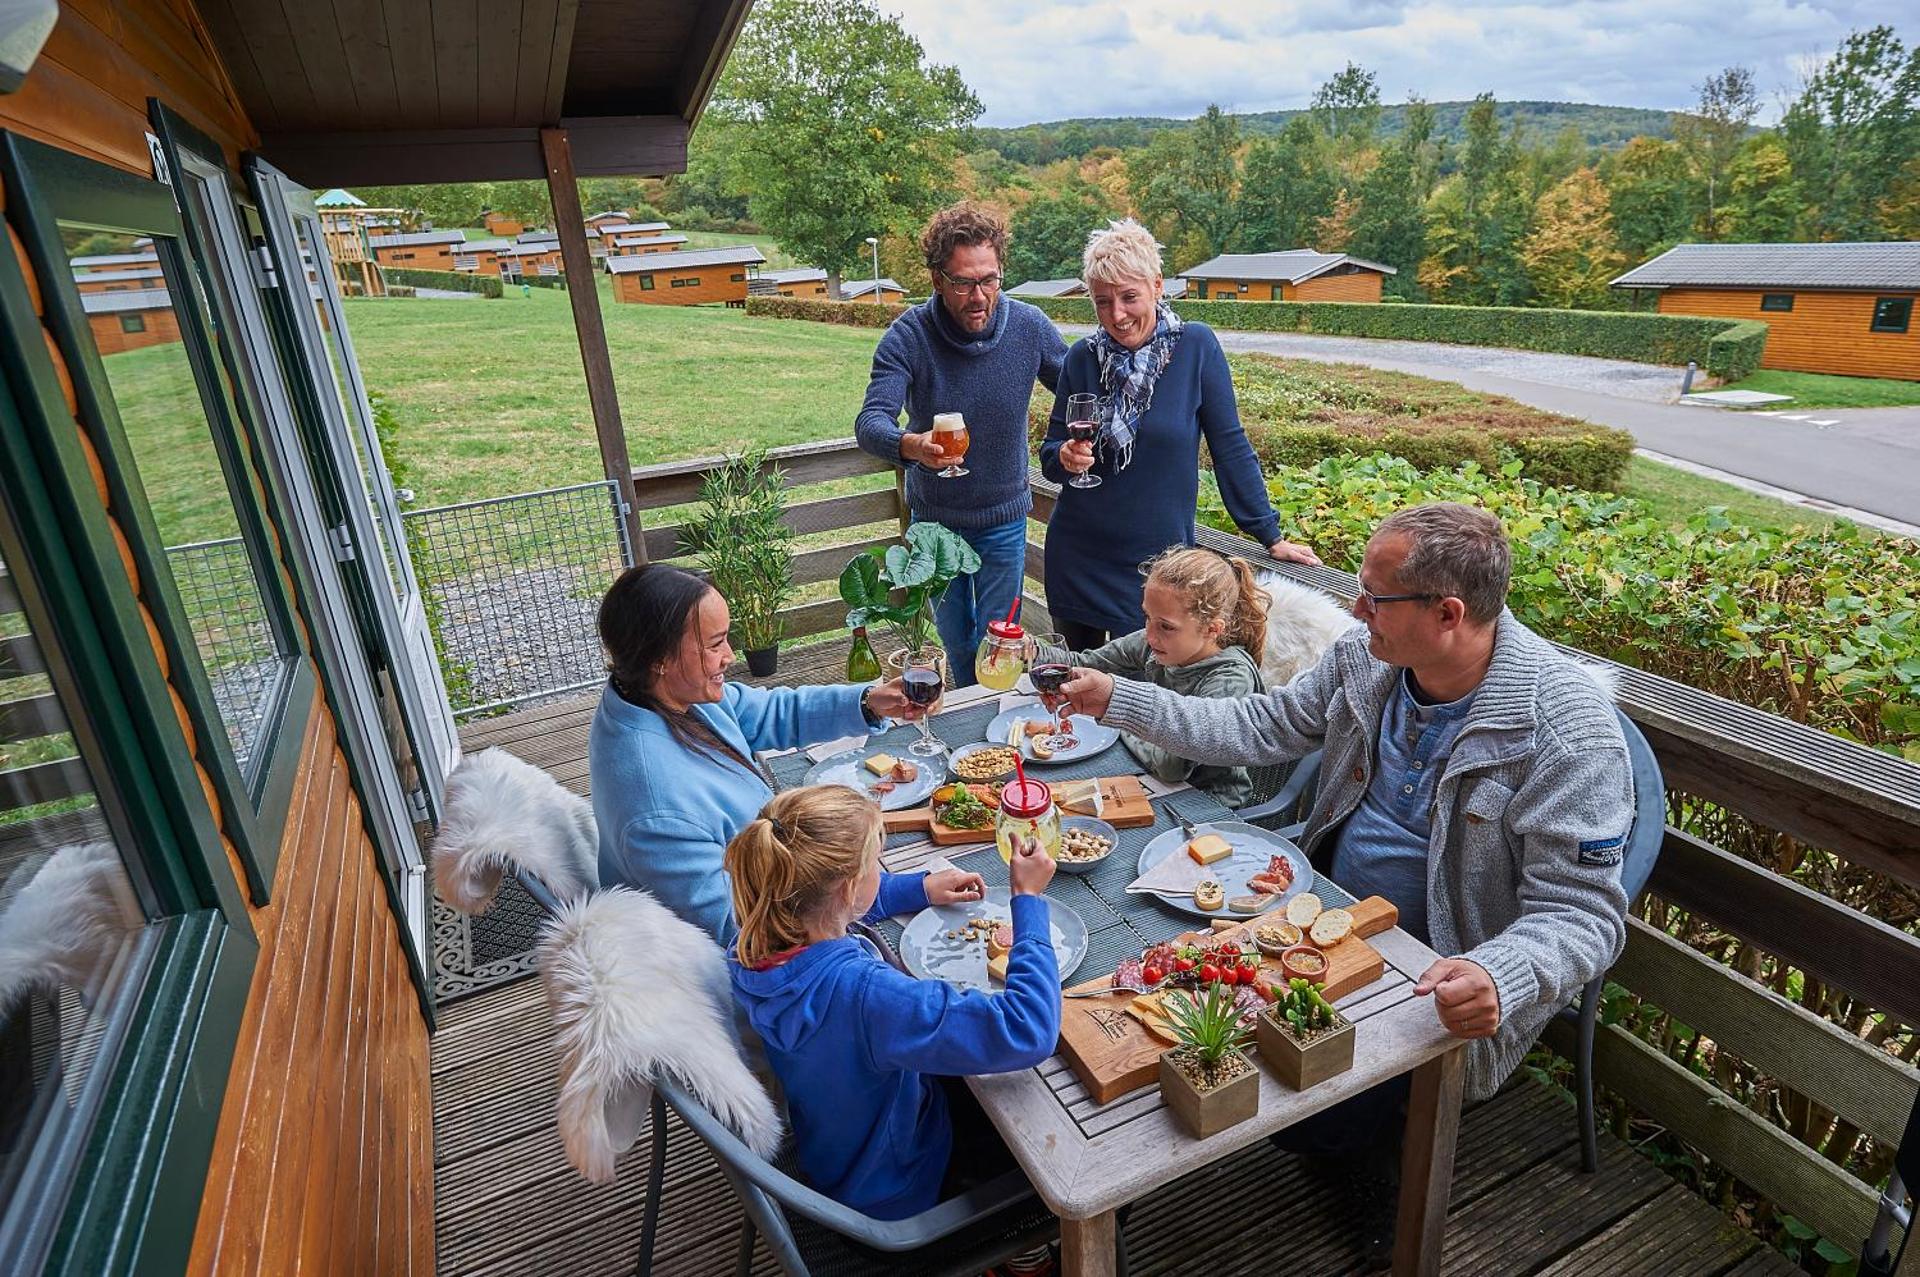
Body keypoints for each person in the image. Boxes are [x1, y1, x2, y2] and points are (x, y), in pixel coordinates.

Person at [1051, 503, 1633, 1261]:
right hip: (1323, 916)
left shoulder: (1568, 735)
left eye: (1374, 597)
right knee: (1162, 1006)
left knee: (1313, 1114)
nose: (1355, 611)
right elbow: (1261, 726)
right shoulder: (1368, 657)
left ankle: (1374, 1167)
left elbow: (1585, 914)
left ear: (1448, 613)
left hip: (1440, 966)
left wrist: (1502, 970)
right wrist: (1120, 698)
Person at [588, 562, 984, 946]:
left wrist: (869, 703)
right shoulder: (655, 810)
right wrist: (884, 896)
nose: (731, 655)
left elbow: (773, 712)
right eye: (714, 644)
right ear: (659, 659)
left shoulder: (658, 692)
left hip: (789, 897)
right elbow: (740, 930)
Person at [727, 786, 1060, 1220]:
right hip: (903, 1192)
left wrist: (915, 888)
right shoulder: (867, 996)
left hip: (839, 1159)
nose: (877, 871)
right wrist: (1028, 902)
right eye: (874, 864)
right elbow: (1028, 1030)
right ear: (848, 889)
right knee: (1055, 1138)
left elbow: (828, 905)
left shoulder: (754, 941)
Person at [1039, 219, 1318, 650]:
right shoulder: (1082, 357)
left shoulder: (1195, 347)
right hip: (1078, 559)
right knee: (1078, 683)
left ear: (1157, 286)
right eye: (1102, 302)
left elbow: (1230, 446)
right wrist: (1064, 458)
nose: (1117, 315)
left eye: (1129, 297)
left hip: (1159, 572)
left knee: (1148, 686)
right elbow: (1050, 455)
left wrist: (1269, 534)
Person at [855, 203, 1068, 685]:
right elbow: (870, 422)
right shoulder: (908, 336)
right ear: (937, 279)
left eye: (989, 280)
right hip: (935, 525)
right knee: (957, 643)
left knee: (1000, 646)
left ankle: (994, 727)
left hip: (1004, 518)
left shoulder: (1029, 326)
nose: (979, 296)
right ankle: (972, 723)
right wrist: (912, 445)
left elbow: (1080, 390)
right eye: (963, 283)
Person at [1059, 546, 1267, 808]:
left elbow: (1171, 766)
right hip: (1149, 778)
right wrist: (1028, 651)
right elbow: (1081, 664)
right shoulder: (1158, 643)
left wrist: (1118, 716)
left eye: (1166, 626)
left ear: (1212, 629)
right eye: (1147, 617)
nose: (1150, 635)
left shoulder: (1229, 680)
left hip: (1208, 804)